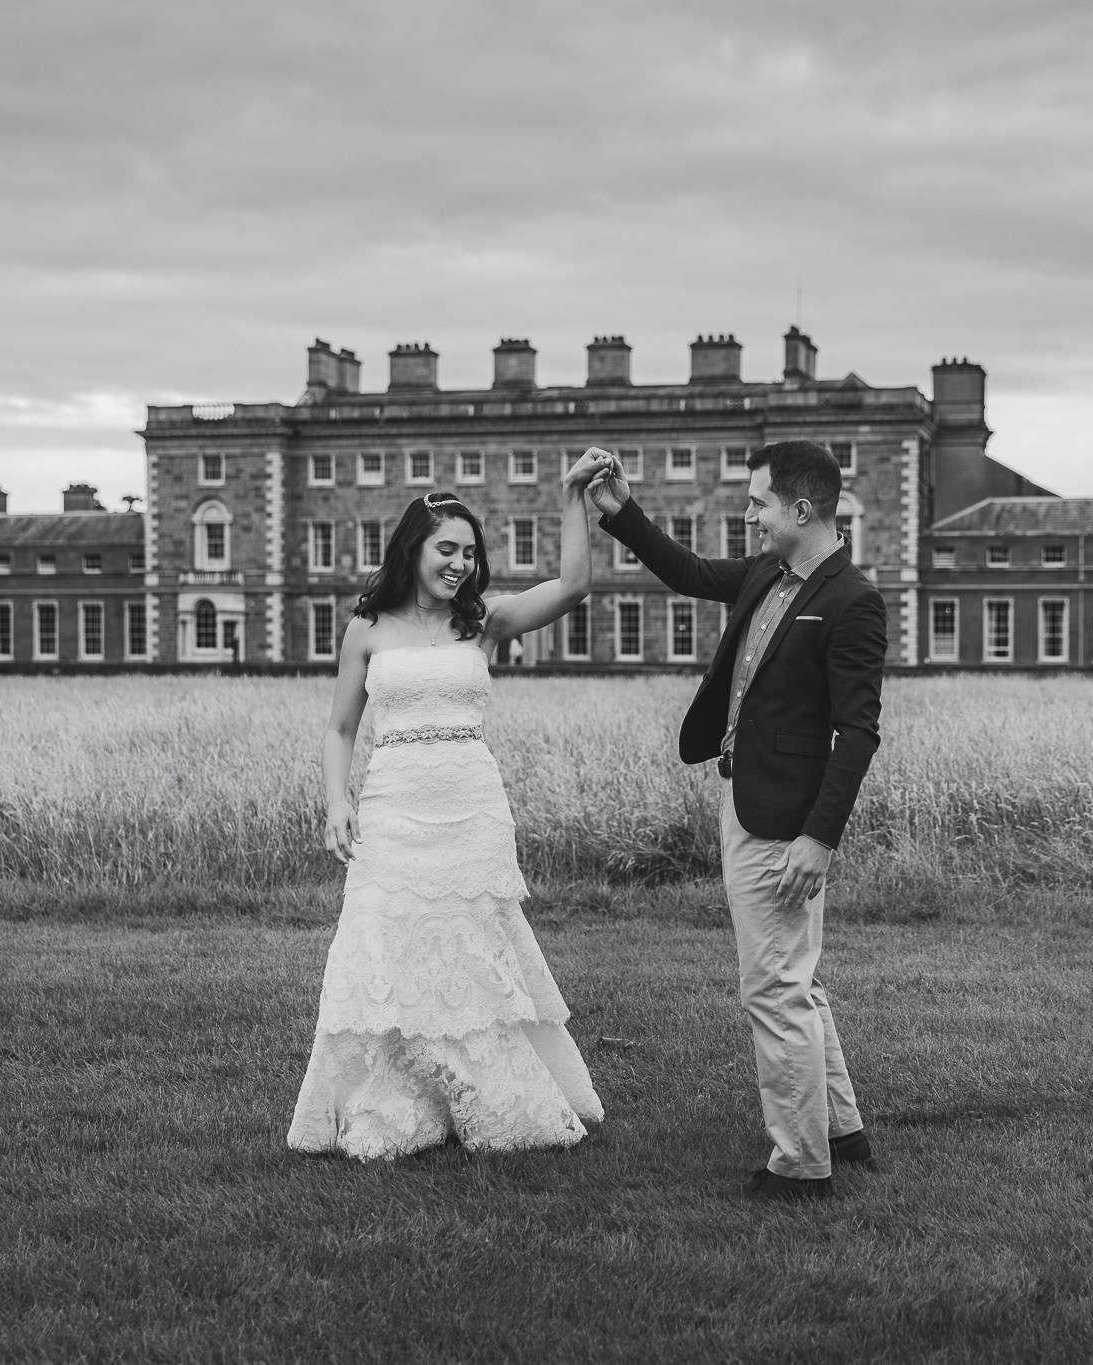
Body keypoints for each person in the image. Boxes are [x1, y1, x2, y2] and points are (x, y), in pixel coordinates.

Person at [288, 449, 617, 1159]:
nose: (461, 563)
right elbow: (341, 727)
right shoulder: (367, 626)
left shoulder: (485, 622)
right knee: (385, 944)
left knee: (473, 951)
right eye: (447, 548)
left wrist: (571, 498)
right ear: (413, 549)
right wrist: (335, 800)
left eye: (470, 552)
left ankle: (489, 1098)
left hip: (471, 808)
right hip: (393, 811)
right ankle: (397, 1102)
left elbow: (573, 585)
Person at [587, 440, 885, 1202]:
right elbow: (686, 571)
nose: (747, 514)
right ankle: (842, 1131)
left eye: (757, 503)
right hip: (741, 798)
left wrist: (819, 838)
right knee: (798, 980)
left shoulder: (852, 601)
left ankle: (800, 1165)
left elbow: (857, 733)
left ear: (802, 510)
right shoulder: (765, 573)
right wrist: (621, 513)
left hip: (787, 820)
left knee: (773, 991)